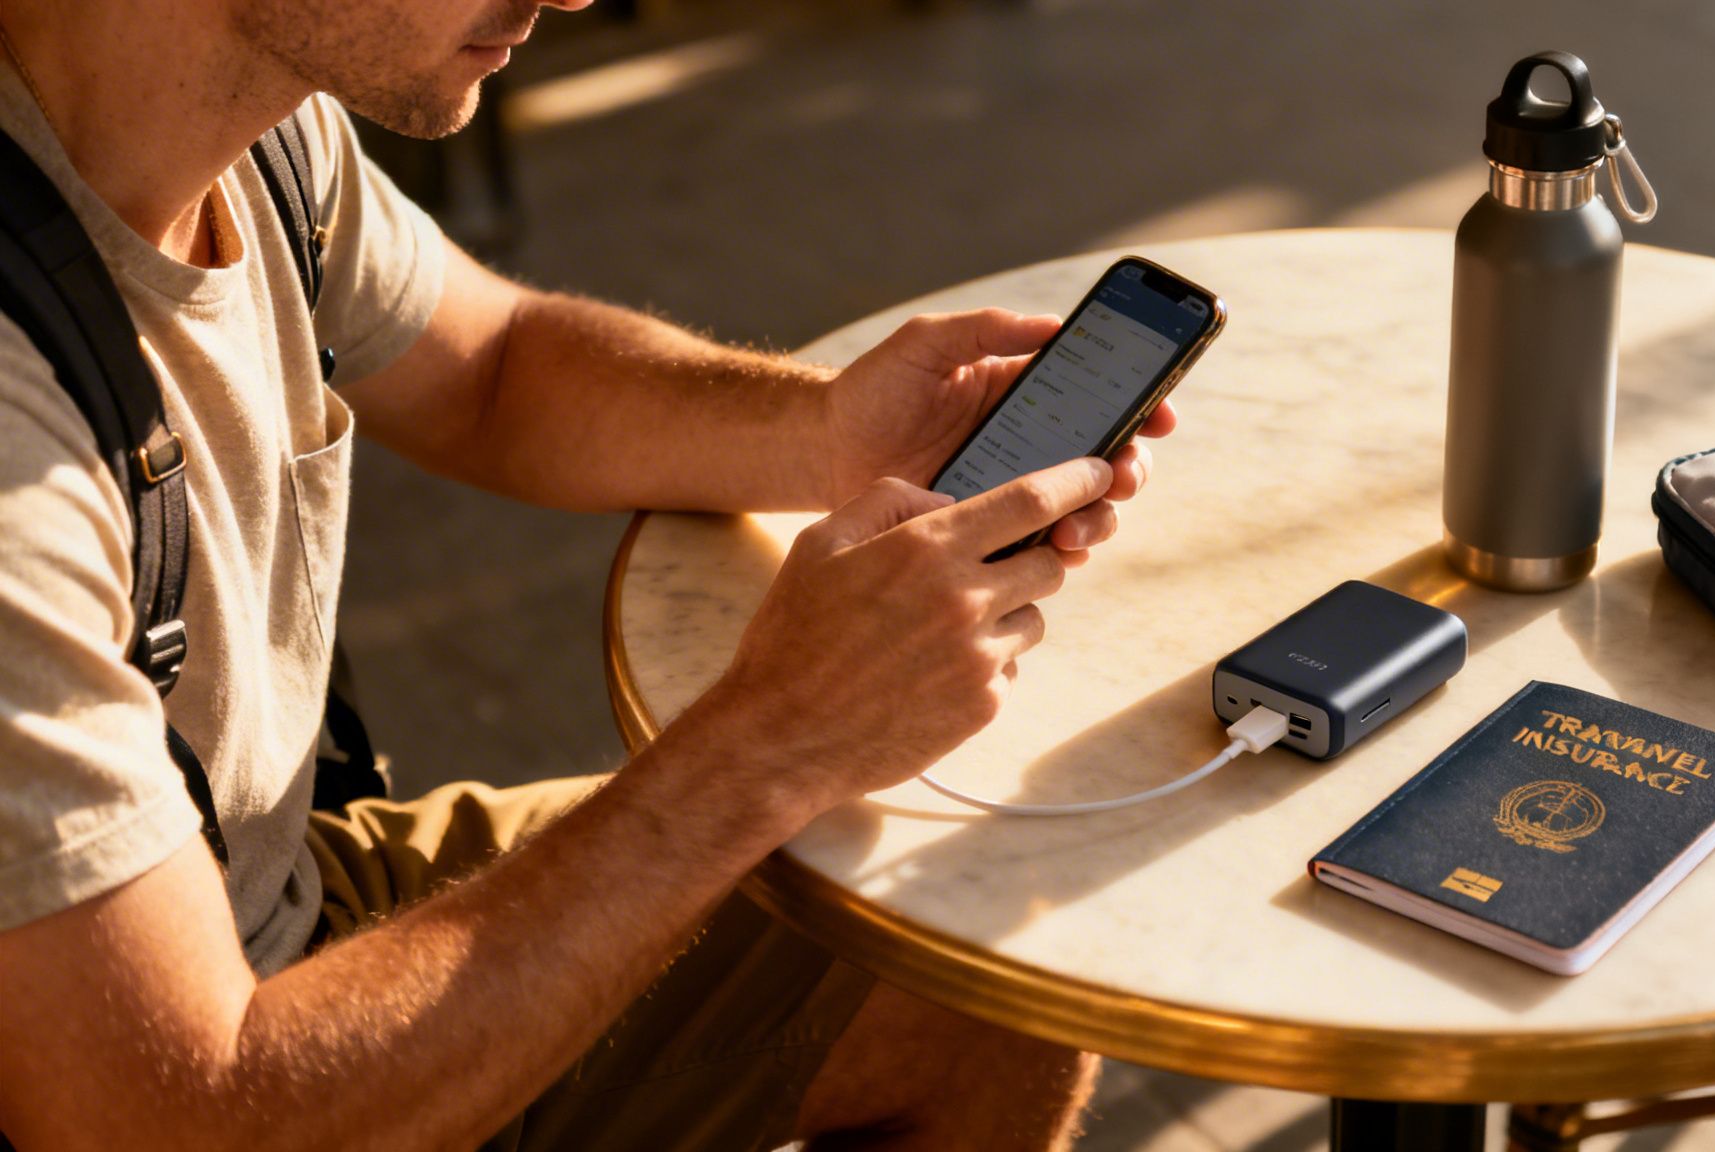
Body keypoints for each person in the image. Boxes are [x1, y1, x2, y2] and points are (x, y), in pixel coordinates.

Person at [0, 1, 1176, 1148]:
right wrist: (768, 743)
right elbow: (175, 1114)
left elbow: (496, 368)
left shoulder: (246, 122)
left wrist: (825, 434)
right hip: (196, 1063)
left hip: (278, 902)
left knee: (988, 969)